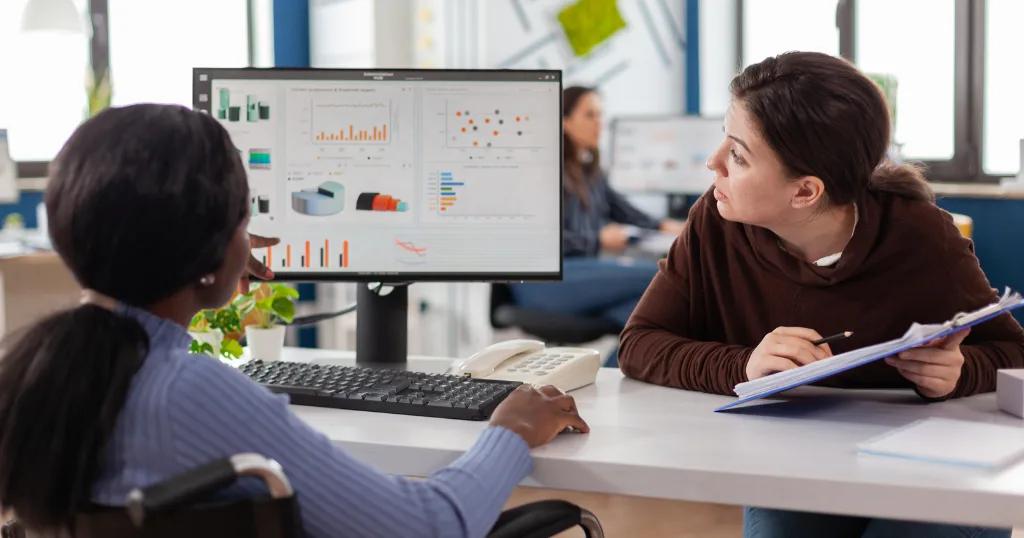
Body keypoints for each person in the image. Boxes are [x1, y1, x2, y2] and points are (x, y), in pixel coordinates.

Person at [0, 104, 589, 538]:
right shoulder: (189, 390)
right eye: (244, 213)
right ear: (211, 249)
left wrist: (211, 268)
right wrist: (510, 428)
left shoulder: (36, 368)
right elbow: (429, 528)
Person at [618, 52, 1023, 537]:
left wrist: (960, 372)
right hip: (801, 459)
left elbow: (1015, 354)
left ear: (806, 192)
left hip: (928, 464)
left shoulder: (921, 236)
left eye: (739, 155)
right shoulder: (715, 220)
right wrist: (744, 367)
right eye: (724, 140)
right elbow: (639, 343)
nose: (713, 163)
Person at [511, 87, 684, 361]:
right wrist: (598, 240)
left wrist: (667, 226)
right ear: (564, 122)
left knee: (652, 312)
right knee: (663, 276)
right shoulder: (543, 171)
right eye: (589, 115)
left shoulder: (591, 172)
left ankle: (611, 378)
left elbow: (624, 210)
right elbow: (538, 240)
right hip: (546, 281)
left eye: (601, 115)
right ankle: (612, 377)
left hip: (582, 276)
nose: (599, 123)